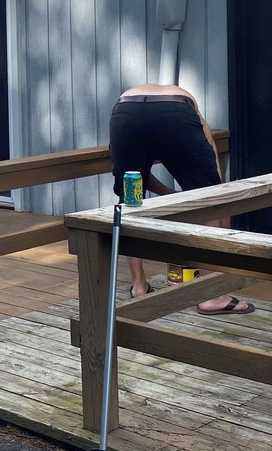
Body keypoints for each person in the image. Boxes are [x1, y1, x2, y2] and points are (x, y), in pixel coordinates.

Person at [109, 83, 255, 315]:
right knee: (207, 198)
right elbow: (213, 182)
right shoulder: (188, 107)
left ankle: (138, 286)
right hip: (175, 108)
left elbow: (142, 178)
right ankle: (213, 296)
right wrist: (220, 205)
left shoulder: (137, 99)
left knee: (130, 198)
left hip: (125, 108)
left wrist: (169, 193)